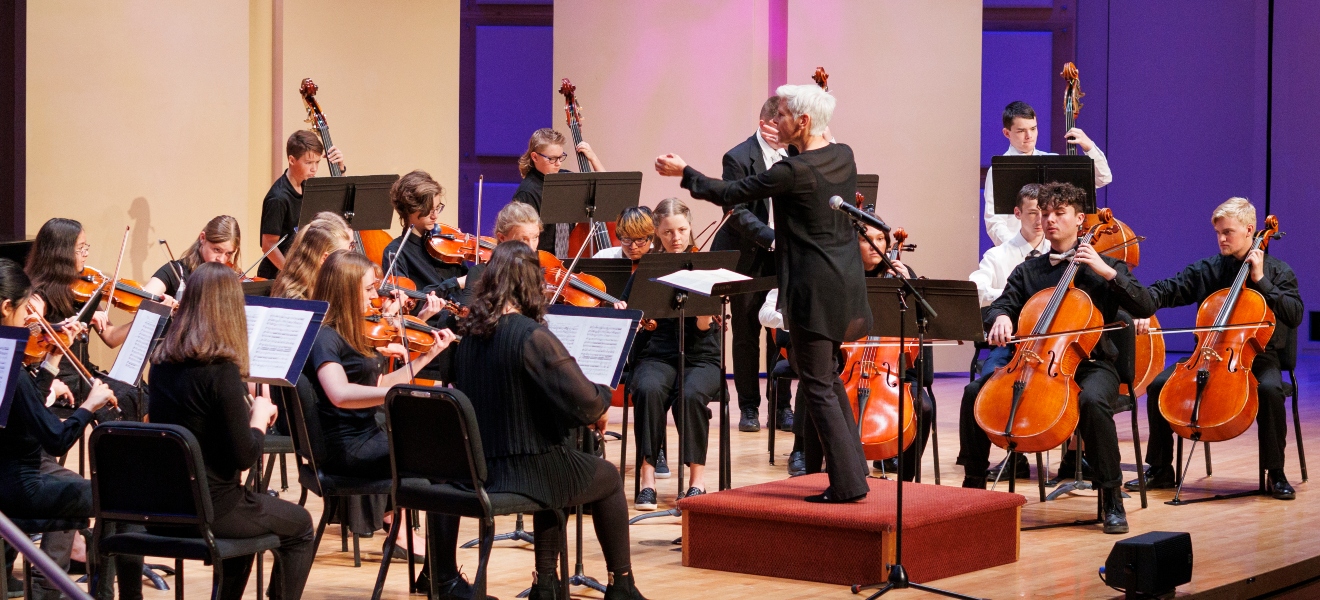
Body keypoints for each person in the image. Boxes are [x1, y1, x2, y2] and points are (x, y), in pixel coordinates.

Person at [656, 83, 872, 503]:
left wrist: (685, 173)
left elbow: (730, 194)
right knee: (826, 378)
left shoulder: (792, 171)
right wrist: (791, 147)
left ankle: (847, 484)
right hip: (841, 283)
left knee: (816, 384)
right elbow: (805, 171)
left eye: (784, 115)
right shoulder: (843, 153)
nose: (777, 121)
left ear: (804, 121)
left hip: (811, 288)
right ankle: (855, 469)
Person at [453, 241, 647, 600]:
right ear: (530, 283)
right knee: (605, 476)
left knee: (561, 455)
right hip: (523, 469)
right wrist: (603, 395)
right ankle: (622, 585)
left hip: (480, 468)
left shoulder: (470, 335)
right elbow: (588, 404)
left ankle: (546, 583)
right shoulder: (532, 335)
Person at [957, 182, 1155, 534]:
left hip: (1093, 364)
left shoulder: (1106, 267)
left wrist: (1106, 271)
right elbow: (1004, 303)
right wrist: (1000, 316)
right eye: (1045, 213)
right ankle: (973, 485)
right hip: (1035, 363)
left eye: (1058, 213)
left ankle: (1110, 496)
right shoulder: (1029, 271)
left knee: (1093, 401)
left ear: (1080, 220)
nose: (1049, 220)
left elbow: (1144, 303)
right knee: (976, 392)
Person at [303, 250, 473, 597]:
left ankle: (438, 574)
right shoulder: (325, 337)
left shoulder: (348, 333)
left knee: (446, 458)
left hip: (363, 438)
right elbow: (339, 393)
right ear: (346, 290)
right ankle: (442, 578)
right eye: (367, 290)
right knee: (448, 462)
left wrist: (428, 355)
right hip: (347, 450)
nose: (374, 297)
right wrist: (392, 398)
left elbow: (380, 386)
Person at [148, 262, 315, 599]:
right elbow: (244, 456)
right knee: (300, 526)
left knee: (252, 518)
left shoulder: (162, 365)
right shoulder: (220, 371)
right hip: (213, 510)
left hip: (165, 508)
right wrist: (258, 414)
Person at [1124, 197, 1304, 500]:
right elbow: (1168, 289)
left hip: (1258, 357)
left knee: (1271, 391)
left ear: (1250, 230)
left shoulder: (1278, 271)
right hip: (1207, 354)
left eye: (1228, 232)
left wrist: (1260, 280)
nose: (1221, 239)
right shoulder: (1207, 269)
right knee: (1157, 385)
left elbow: (1294, 313)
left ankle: (1276, 473)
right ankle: (1160, 468)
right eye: (1218, 233)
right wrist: (1142, 307)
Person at [0, 258, 143, 600]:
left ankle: (60, 587)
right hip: (21, 489)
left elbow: (23, 407)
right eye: (24, 310)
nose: (29, 320)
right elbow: (56, 437)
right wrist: (88, 406)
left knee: (94, 492)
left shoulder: (6, 355)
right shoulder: (12, 365)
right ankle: (108, 595)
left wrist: (50, 362)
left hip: (7, 478)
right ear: (6, 307)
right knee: (124, 497)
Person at [627, 199, 721, 510]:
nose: (676, 238)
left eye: (681, 230)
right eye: (667, 232)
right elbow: (631, 312)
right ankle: (648, 479)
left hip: (702, 357)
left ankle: (697, 481)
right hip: (658, 354)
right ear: (656, 232)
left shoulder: (706, 268)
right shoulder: (648, 270)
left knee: (691, 395)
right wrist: (630, 316)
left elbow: (706, 329)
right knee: (647, 388)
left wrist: (705, 313)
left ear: (690, 228)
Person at [26, 218, 146, 421]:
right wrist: (74, 322)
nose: (86, 254)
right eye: (80, 248)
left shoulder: (84, 289)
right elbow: (31, 328)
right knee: (124, 397)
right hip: (58, 377)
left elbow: (111, 337)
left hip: (85, 373)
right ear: (60, 254)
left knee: (141, 392)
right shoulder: (39, 292)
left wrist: (145, 316)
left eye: (86, 247)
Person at [717, 96, 784, 433]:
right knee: (746, 334)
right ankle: (748, 407)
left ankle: (782, 407)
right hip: (748, 255)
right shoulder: (738, 158)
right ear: (765, 124)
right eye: (782, 124)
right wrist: (771, 237)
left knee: (780, 331)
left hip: (784, 256)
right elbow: (736, 211)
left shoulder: (794, 156)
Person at [983, 101, 1112, 246]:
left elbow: (1103, 178)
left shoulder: (1054, 162)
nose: (1029, 136)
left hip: (1056, 250)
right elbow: (994, 222)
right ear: (1007, 133)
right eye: (1021, 131)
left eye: (1033, 128)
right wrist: (1017, 250)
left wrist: (1088, 146)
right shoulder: (999, 169)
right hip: (1018, 254)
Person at [257, 130, 347, 279]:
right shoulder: (278, 198)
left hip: (301, 272)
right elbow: (268, 245)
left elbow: (338, 205)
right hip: (277, 277)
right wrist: (290, 274)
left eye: (317, 162)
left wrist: (340, 169)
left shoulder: (309, 186)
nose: (314, 168)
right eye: (308, 163)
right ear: (292, 160)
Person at [512, 128, 604, 256]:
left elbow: (604, 190)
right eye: (552, 159)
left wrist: (593, 158)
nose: (558, 163)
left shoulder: (566, 179)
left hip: (567, 258)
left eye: (561, 157)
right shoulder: (527, 192)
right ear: (535, 157)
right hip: (542, 262)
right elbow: (523, 239)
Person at [380, 170, 467, 304]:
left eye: (437, 208)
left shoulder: (447, 243)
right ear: (410, 209)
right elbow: (407, 301)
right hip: (430, 322)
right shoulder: (395, 252)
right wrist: (453, 284)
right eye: (428, 211)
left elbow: (469, 283)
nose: (435, 216)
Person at [144, 215, 243, 298]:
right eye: (217, 250)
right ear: (203, 238)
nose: (221, 260)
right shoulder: (175, 271)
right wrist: (163, 310)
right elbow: (144, 304)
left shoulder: (233, 278)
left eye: (228, 253)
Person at [269, 213, 353, 301]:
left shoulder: (320, 286)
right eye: (344, 256)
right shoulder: (294, 299)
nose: (348, 262)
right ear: (324, 259)